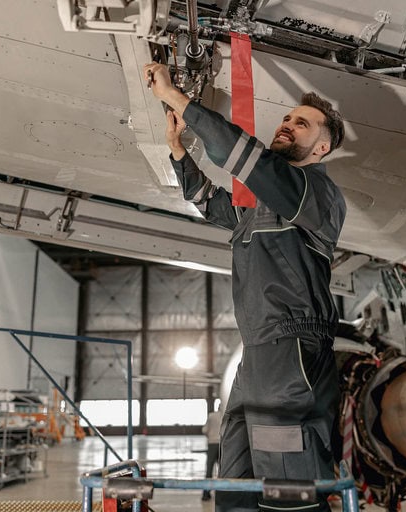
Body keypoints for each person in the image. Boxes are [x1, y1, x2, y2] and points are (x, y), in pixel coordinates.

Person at [144, 62, 346, 512]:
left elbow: (242, 155)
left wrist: (178, 98)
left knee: (288, 487)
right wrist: (179, 152)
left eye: (302, 123)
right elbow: (210, 203)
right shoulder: (266, 207)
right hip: (258, 352)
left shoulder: (313, 193)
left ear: (322, 147)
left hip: (293, 350)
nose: (288, 125)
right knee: (234, 480)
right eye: (288, 118)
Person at [202, 408, 223, 501]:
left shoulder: (211, 416)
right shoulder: (226, 416)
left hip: (212, 444)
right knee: (223, 469)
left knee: (209, 470)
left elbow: (205, 430)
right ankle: (222, 493)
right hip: (222, 445)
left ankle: (206, 494)